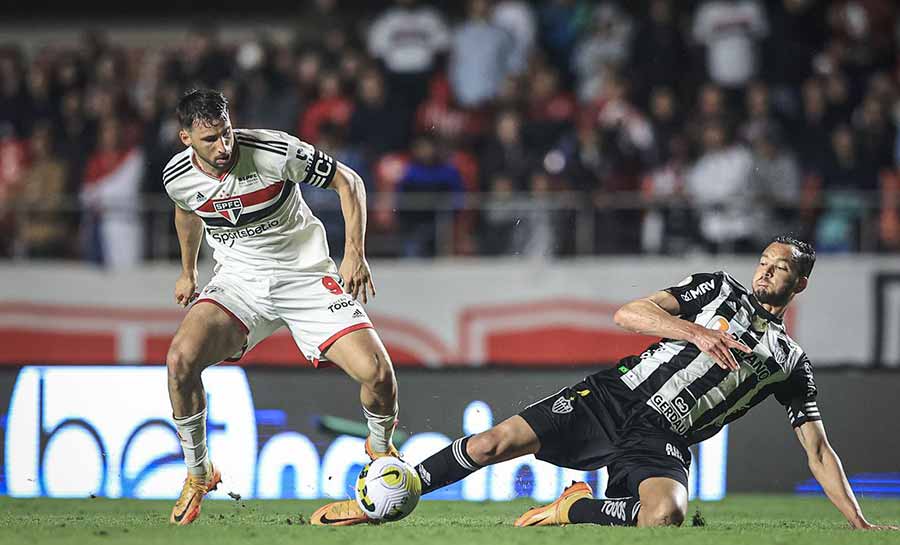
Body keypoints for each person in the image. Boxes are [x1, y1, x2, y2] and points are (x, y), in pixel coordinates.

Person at [311, 235, 898, 530]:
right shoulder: (718, 289)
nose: (766, 272)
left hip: (663, 433)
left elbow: (817, 449)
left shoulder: (789, 361)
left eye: (782, 269)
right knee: (493, 444)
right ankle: (386, 499)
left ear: (799, 284)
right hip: (616, 395)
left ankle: (579, 508)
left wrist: (858, 523)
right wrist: (693, 334)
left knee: (665, 517)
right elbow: (629, 314)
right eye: (765, 261)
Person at [162, 89, 399, 525]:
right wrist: (188, 272)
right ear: (185, 139)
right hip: (239, 282)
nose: (224, 147)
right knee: (179, 361)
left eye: (227, 133)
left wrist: (354, 253)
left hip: (305, 276)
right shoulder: (177, 176)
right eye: (211, 139)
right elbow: (186, 212)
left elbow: (350, 182)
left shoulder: (274, 151)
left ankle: (380, 452)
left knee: (379, 375)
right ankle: (199, 473)